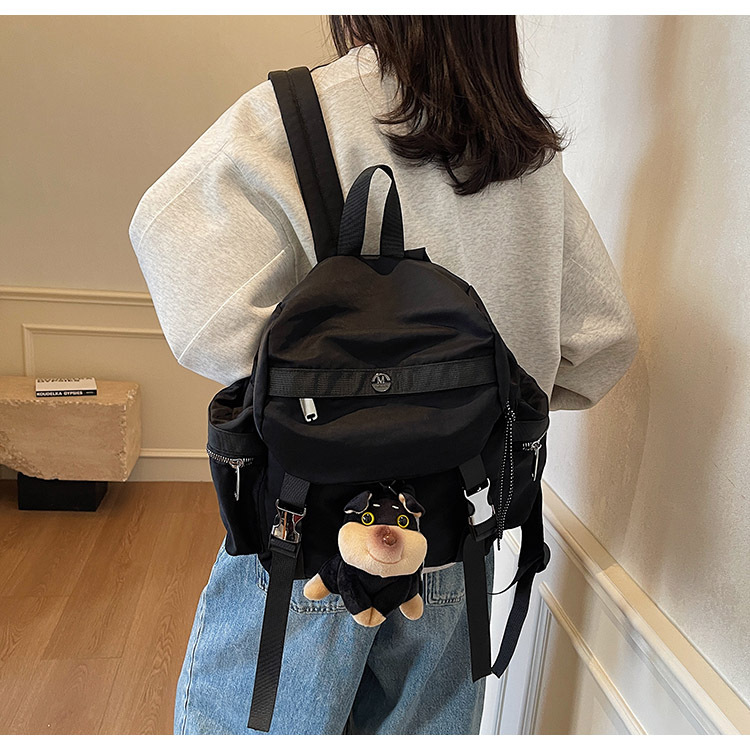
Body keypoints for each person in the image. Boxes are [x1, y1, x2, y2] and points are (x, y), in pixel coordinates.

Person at [128, 16, 639, 735]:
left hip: (307, 531)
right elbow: (601, 342)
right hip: (457, 529)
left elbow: (169, 245)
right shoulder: (519, 147)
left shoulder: (300, 115)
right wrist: (464, 408)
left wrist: (311, 383)